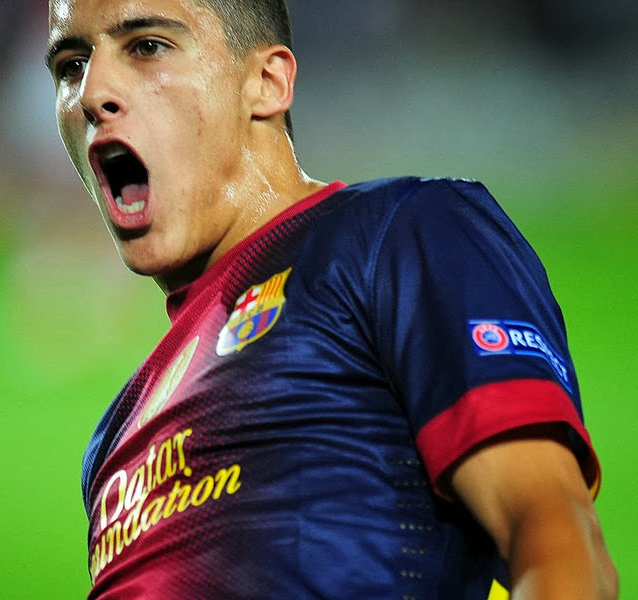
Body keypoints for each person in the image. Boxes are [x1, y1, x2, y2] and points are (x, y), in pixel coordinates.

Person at [45, 0, 618, 598]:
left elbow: (556, 537)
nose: (92, 92)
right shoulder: (112, 443)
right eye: (71, 65)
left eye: (147, 47)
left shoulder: (398, 235)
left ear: (266, 82)